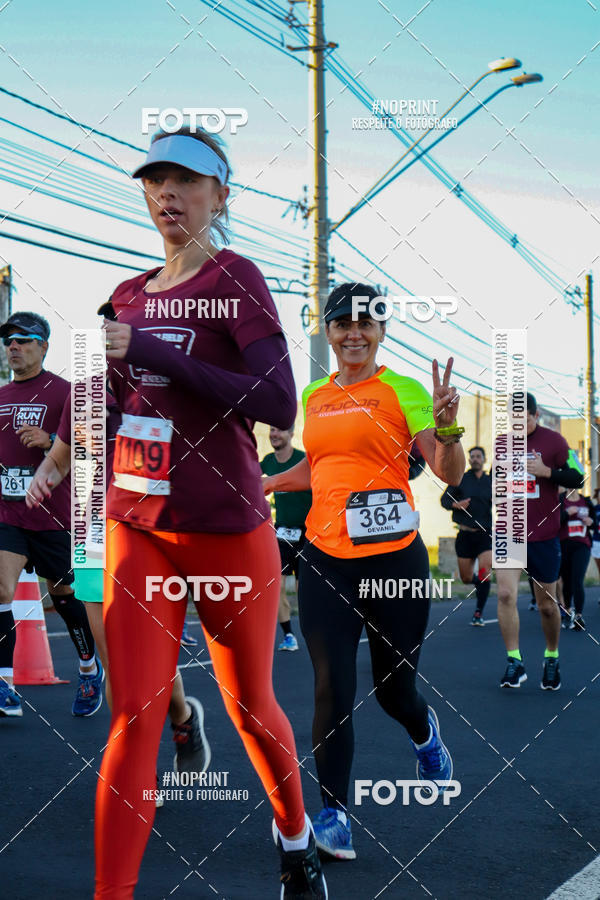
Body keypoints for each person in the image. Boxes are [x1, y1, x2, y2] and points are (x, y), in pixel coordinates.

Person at [92, 127, 326, 898]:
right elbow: (129, 408)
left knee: (249, 706)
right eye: (156, 182)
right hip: (137, 524)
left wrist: (155, 354)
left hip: (226, 528)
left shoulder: (236, 277)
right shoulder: (127, 293)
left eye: (187, 183)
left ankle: (296, 840)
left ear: (220, 196)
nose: (168, 195)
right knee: (135, 716)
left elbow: (275, 401)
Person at [264, 282, 465, 861]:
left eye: (366, 322)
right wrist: (273, 480)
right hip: (326, 556)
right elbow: (323, 466)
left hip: (394, 559)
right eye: (342, 322)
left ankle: (424, 734)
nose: (354, 332)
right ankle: (333, 818)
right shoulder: (316, 394)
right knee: (332, 686)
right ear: (327, 330)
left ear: (381, 331)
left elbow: (447, 472)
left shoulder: (402, 390)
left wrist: (449, 427)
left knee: (392, 689)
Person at [26, 390, 211, 785]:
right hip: (91, 533)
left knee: (153, 661)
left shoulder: (161, 381)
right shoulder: (85, 393)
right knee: (117, 666)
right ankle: (141, 769)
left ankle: (182, 718)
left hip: (150, 532)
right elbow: (59, 460)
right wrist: (45, 476)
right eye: (107, 325)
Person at [0, 311, 102, 718]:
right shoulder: (2, 397)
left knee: (64, 596)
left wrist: (50, 443)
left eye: (23, 339)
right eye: (9, 341)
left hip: (55, 518)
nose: (14, 347)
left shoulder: (67, 393)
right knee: (0, 591)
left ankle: (89, 668)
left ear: (44, 345)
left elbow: (94, 454)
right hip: (8, 515)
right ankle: (5, 685)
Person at [495, 393, 584, 690]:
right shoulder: (502, 444)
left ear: (535, 415)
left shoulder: (555, 441)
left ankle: (551, 656)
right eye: (513, 418)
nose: (518, 424)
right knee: (506, 594)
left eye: (524, 418)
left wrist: (548, 472)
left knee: (547, 605)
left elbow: (578, 476)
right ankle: (514, 662)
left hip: (544, 535)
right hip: (508, 532)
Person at [260, 425, 312, 651]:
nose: (274, 435)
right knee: (276, 587)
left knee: (305, 591)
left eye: (279, 431)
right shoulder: (268, 461)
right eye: (271, 430)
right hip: (281, 532)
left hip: (307, 532)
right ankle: (289, 635)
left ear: (291, 434)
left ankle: (314, 634)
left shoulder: (303, 460)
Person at [440, 446, 492, 626]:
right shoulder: (460, 479)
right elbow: (444, 500)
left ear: (484, 459)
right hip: (465, 535)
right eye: (472, 457)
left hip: (485, 535)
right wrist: (456, 505)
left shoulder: (491, 481)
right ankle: (479, 586)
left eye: (478, 456)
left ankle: (478, 612)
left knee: (485, 573)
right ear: (469, 460)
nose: (475, 459)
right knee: (467, 578)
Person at [558, 486, 593, 631]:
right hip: (564, 545)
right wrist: (566, 513)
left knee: (577, 579)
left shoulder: (586, 502)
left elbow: (594, 521)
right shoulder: (559, 501)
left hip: (582, 545)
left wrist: (591, 521)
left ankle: (578, 616)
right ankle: (567, 611)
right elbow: (553, 521)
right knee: (566, 581)